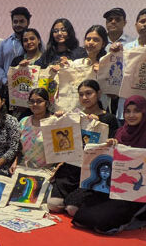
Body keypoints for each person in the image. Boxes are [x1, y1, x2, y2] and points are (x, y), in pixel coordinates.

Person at [66, 96, 146, 235]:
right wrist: (108, 147)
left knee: (102, 227)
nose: (131, 115)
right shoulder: (120, 133)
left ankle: (138, 217)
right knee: (80, 218)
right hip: (112, 188)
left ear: (144, 112)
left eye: (136, 111)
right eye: (128, 111)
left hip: (135, 194)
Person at [47, 80, 119, 212]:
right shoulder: (74, 115)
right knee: (53, 204)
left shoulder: (109, 119)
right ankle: (70, 198)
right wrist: (59, 120)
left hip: (91, 172)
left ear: (98, 94)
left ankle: (77, 200)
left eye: (89, 93)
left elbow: (110, 147)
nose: (85, 97)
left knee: (72, 209)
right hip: (70, 170)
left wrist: (98, 126)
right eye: (81, 94)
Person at [15, 88, 53, 170]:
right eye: (32, 101)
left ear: (47, 103)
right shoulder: (24, 121)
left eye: (39, 101)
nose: (35, 104)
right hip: (24, 168)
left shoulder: (54, 123)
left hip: (46, 171)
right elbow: (17, 147)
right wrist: (15, 163)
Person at [0, 7, 31, 86]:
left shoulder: (36, 43)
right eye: (15, 22)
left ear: (28, 22)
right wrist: (5, 80)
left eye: (21, 21)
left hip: (31, 86)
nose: (18, 24)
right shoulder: (4, 44)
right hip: (9, 87)